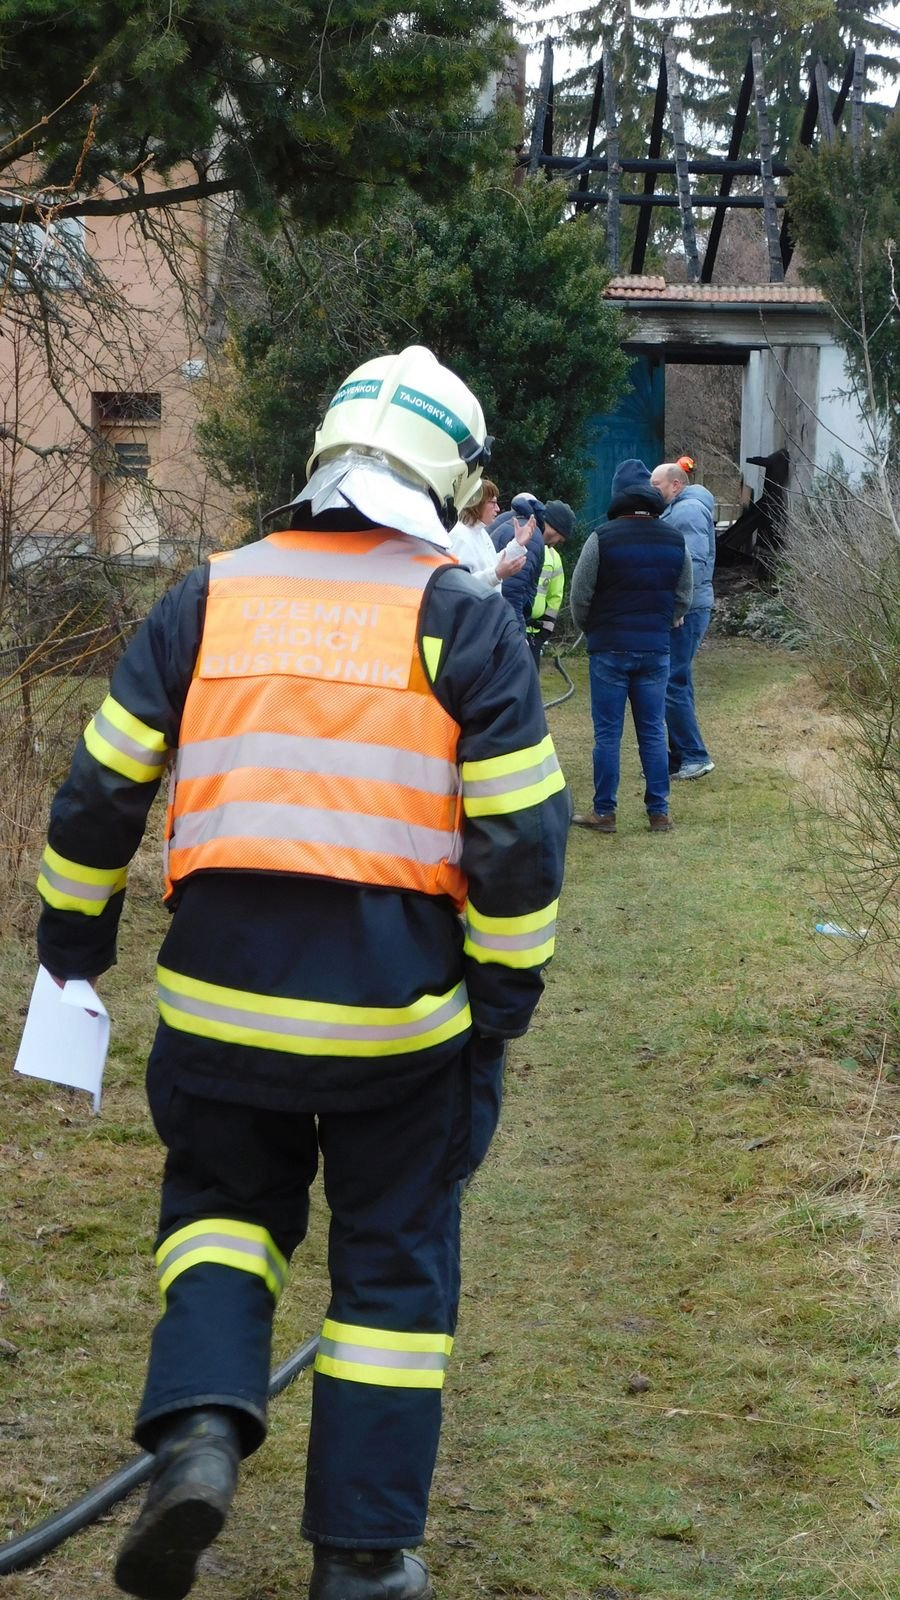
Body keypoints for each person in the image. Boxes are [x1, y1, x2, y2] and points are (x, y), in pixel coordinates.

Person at [34, 345, 569, 1600]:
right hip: (399, 1033)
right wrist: (502, 1002)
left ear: (322, 456)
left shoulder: (210, 594)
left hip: (217, 1016)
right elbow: (520, 840)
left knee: (221, 1221)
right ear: (453, 480)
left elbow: (99, 792)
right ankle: (365, 1557)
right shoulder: (463, 617)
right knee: (389, 1272)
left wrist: (73, 952)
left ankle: (201, 1438)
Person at [569, 459, 693, 835]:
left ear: (617, 497)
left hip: (608, 649)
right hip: (655, 649)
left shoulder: (602, 538)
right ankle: (659, 811)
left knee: (608, 734)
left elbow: (580, 594)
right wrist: (663, 620)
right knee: (653, 731)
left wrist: (591, 628)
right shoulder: (674, 539)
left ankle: (604, 812)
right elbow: (684, 595)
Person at [650, 461, 716, 781]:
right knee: (678, 680)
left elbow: (695, 563)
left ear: (675, 485)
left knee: (672, 682)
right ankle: (679, 757)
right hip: (688, 609)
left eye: (656, 485)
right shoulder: (680, 510)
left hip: (686, 612)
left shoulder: (687, 512)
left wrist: (679, 608)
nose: (652, 491)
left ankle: (694, 755)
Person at [448, 477, 527, 591]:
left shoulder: (480, 532)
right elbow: (459, 585)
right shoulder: (460, 535)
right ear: (477, 503)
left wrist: (517, 544)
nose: (498, 509)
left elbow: (492, 564)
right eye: (493, 503)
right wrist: (496, 574)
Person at [487, 492, 546, 634]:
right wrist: (518, 634)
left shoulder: (500, 524)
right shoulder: (532, 535)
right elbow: (512, 593)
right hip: (500, 621)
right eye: (492, 503)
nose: (498, 509)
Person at [525, 499, 575, 665]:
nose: (555, 544)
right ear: (553, 526)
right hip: (515, 628)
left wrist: (546, 629)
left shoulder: (554, 557)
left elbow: (555, 596)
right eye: (559, 538)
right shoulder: (524, 542)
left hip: (533, 633)